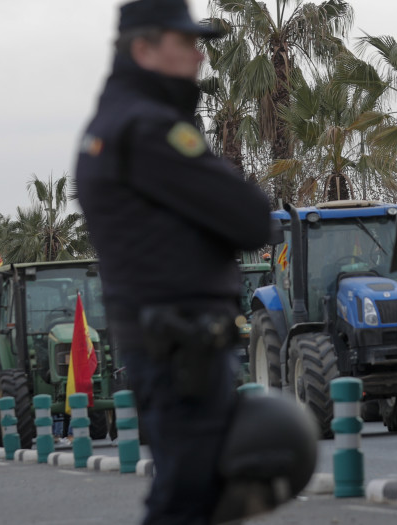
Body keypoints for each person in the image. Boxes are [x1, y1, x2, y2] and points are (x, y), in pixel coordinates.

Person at [74, 0, 272, 522]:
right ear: (144, 48)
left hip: (167, 340)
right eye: (185, 44)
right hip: (181, 344)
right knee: (188, 498)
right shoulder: (147, 129)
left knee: (190, 494)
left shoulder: (115, 123)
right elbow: (253, 219)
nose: (200, 58)